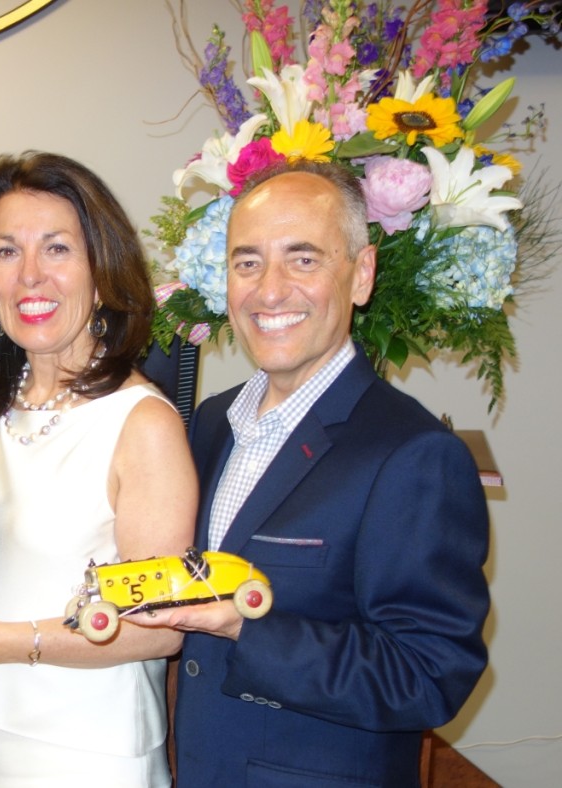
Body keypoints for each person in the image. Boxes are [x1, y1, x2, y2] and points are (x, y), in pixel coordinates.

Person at [140, 160, 491, 787]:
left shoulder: (413, 454)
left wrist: (240, 625)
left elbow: (429, 675)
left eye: (303, 260)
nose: (269, 290)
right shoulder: (209, 424)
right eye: (247, 262)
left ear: (362, 275)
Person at [0, 151, 198, 787]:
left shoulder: (142, 424)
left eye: (56, 249)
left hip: (84, 759)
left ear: (102, 269)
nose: (29, 275)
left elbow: (158, 630)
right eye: (6, 252)